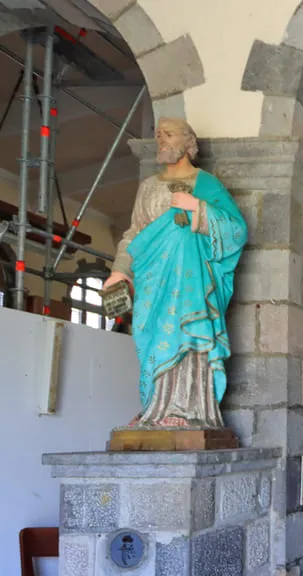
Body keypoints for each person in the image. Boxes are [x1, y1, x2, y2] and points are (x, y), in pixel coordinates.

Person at [102, 118, 247, 429]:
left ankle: (187, 410)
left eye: (168, 135)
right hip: (153, 279)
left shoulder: (205, 184)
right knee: (153, 340)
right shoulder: (148, 188)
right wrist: (119, 271)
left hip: (190, 279)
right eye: (158, 136)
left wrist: (198, 208)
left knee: (187, 331)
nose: (162, 141)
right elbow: (134, 235)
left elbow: (236, 230)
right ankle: (154, 408)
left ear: (187, 142)